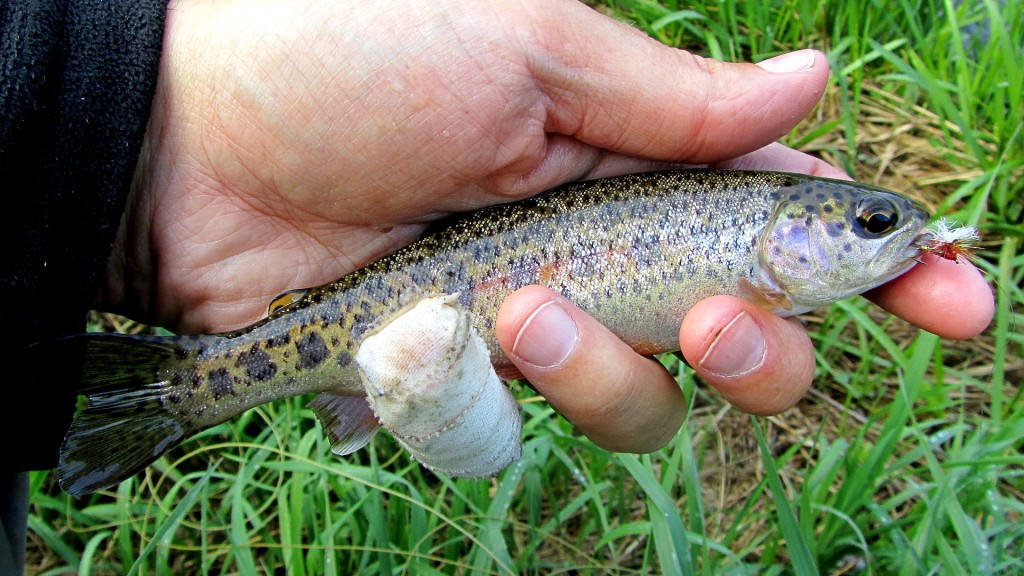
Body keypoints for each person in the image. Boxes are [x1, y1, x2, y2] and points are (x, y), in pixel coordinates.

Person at [0, 0, 994, 572]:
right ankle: (185, 385)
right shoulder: (747, 227)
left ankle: (187, 381)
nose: (889, 235)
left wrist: (152, 144)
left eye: (879, 227)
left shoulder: (756, 237)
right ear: (787, 233)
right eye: (869, 224)